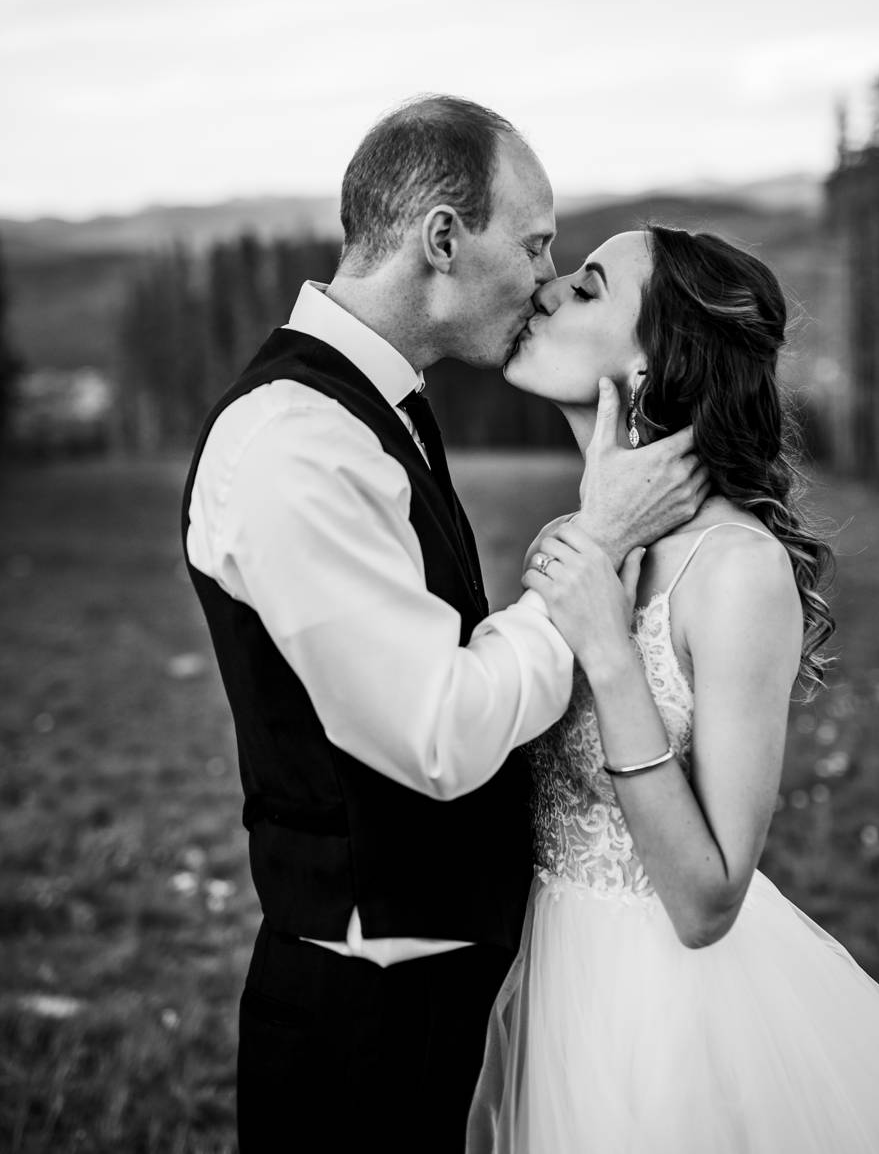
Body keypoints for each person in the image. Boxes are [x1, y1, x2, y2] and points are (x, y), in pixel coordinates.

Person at [181, 95, 706, 1153]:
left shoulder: (372, 410)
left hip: (431, 996)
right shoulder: (294, 441)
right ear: (442, 238)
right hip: (361, 1021)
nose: (545, 276)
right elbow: (437, 731)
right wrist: (594, 548)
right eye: (535, 241)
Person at [465, 224, 879, 1152]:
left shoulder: (736, 569)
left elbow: (709, 900)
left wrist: (610, 649)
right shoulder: (585, 534)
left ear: (654, 362)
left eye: (587, 289)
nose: (546, 290)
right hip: (541, 982)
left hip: (661, 1022)